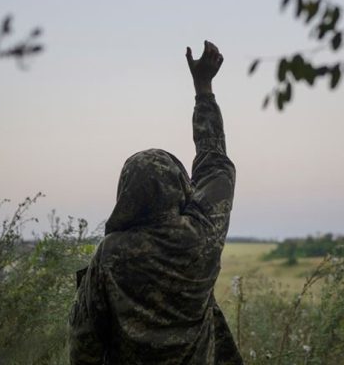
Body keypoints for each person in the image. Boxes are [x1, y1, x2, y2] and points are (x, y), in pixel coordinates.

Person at [69, 41, 243, 365]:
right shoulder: (201, 236)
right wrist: (203, 88)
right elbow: (215, 164)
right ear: (180, 187)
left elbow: (85, 341)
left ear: (126, 193)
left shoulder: (110, 255)